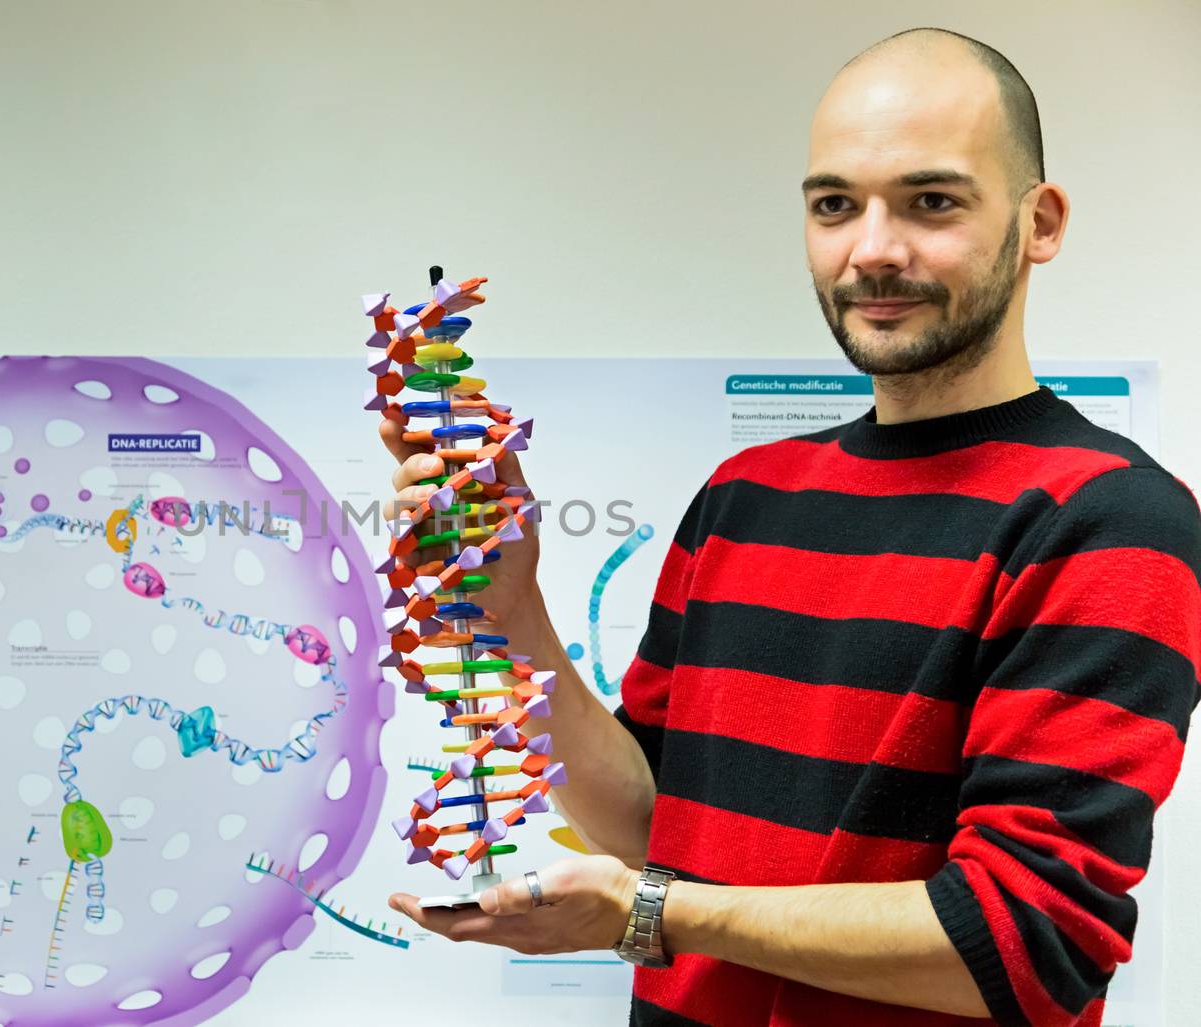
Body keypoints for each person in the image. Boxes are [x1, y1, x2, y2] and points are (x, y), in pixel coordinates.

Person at [380, 26, 1201, 1027]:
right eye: (833, 205)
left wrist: (654, 917)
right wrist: (510, 617)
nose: (872, 248)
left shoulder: (1108, 520)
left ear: (1040, 221)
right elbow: (650, 821)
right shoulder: (745, 496)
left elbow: (1026, 945)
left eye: (930, 201)